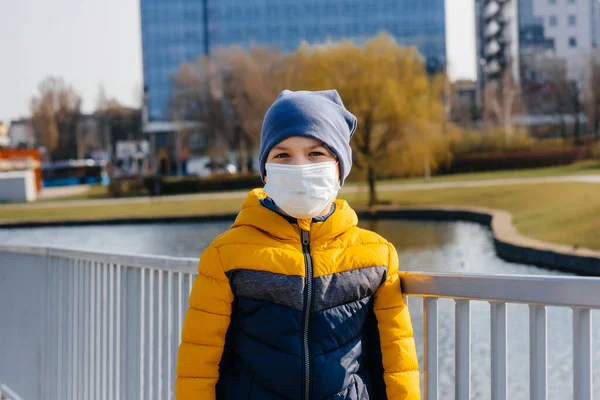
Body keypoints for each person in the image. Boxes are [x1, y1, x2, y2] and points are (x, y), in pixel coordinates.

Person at [176, 89, 420, 399]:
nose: (300, 167)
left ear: (339, 167)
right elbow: (197, 367)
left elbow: (398, 364)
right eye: (282, 155)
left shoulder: (377, 255)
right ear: (266, 169)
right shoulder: (225, 256)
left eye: (316, 154)